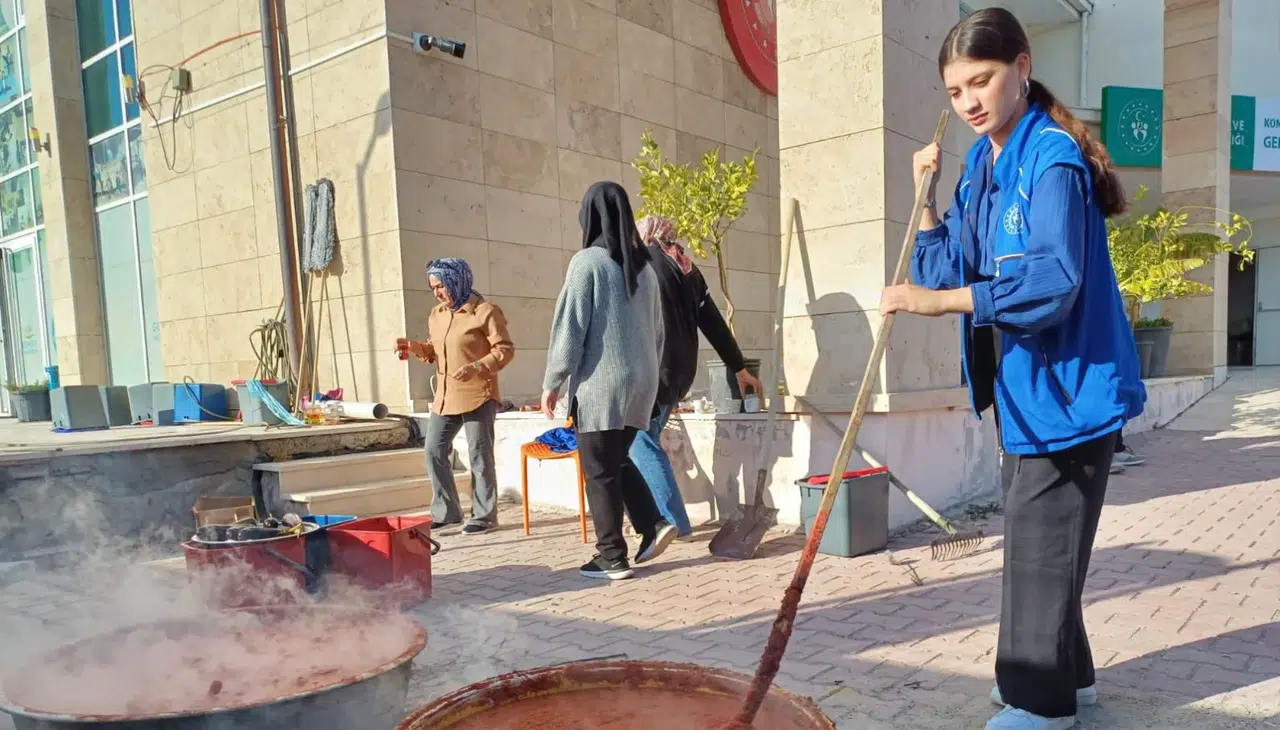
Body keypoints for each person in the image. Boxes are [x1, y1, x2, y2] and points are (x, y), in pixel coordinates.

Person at [878, 9, 1146, 730]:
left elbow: (1052, 280)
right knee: (1042, 548)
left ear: (1022, 68)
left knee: (1038, 549)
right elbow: (950, 261)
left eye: (982, 79)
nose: (968, 100)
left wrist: (940, 304)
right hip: (1024, 393)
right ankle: (1071, 682)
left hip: (1068, 392)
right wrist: (925, 202)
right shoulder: (985, 167)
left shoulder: (1051, 158)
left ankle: (1040, 704)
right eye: (956, 88)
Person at [541, 181, 678, 580]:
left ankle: (611, 556)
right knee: (615, 459)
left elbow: (570, 327)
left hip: (603, 385)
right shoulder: (645, 270)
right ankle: (653, 522)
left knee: (598, 470)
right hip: (641, 384)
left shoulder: (587, 263)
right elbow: (658, 333)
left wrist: (553, 380)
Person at [631, 215, 763, 536]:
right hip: (680, 374)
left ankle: (673, 523)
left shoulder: (643, 264)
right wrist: (739, 367)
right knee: (642, 437)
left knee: (639, 440)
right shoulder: (687, 268)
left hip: (655, 370)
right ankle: (654, 516)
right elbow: (714, 323)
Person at [397, 258, 514, 535]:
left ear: (457, 281)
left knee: (479, 455)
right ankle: (447, 512)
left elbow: (505, 350)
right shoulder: (437, 314)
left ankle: (485, 516)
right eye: (433, 287)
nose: (437, 292)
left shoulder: (485, 312)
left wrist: (477, 366)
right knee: (434, 450)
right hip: (445, 397)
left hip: (478, 394)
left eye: (441, 285)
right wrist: (415, 347)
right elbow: (435, 352)